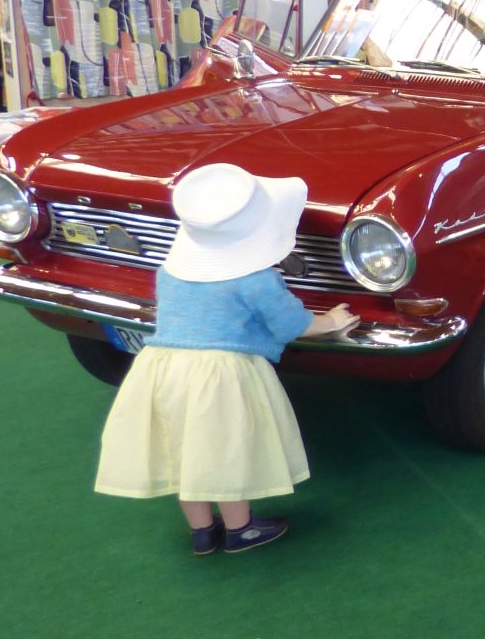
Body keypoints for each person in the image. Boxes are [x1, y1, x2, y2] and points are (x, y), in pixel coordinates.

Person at [94, 164, 354, 555]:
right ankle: (240, 529)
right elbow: (291, 325)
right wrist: (331, 320)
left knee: (185, 449)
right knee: (224, 450)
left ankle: (202, 531)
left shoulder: (171, 272)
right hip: (221, 374)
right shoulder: (256, 279)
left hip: (162, 368)